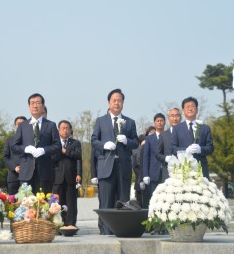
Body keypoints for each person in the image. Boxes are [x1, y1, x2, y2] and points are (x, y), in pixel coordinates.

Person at [91, 88, 139, 235]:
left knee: (123, 201)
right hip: (106, 166)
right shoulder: (101, 121)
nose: (117, 103)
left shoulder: (130, 122)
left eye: (120, 100)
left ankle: (121, 230)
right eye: (114, 100)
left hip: (123, 166)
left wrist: (127, 141)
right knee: (106, 201)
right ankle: (105, 230)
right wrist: (104, 146)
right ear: (109, 102)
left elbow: (136, 143)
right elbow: (93, 140)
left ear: (123, 103)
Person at [12, 93, 61, 194]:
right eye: (32, 103)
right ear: (29, 106)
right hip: (26, 172)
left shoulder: (51, 125)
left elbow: (57, 146)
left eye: (38, 103)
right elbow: (14, 146)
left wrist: (44, 150)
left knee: (43, 204)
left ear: (43, 106)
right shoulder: (22, 126)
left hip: (44, 172)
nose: (35, 106)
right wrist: (25, 149)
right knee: (26, 204)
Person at [171, 97, 214, 179]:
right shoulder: (177, 128)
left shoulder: (205, 128)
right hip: (184, 169)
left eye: (192, 106)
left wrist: (200, 149)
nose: (190, 109)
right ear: (183, 111)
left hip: (201, 168)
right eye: (187, 107)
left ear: (197, 110)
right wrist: (185, 150)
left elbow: (210, 148)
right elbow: (172, 148)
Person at [52, 120, 82, 227]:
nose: (65, 130)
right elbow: (51, 158)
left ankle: (71, 223)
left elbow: (78, 157)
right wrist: (59, 150)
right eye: (63, 128)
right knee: (57, 202)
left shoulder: (75, 143)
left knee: (71, 202)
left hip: (71, 176)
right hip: (57, 176)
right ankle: (58, 224)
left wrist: (79, 174)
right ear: (58, 130)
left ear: (70, 130)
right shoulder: (54, 143)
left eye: (67, 128)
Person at [142, 113, 167, 198]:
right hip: (153, 173)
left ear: (165, 122)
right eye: (158, 121)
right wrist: (145, 174)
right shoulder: (149, 138)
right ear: (154, 123)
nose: (160, 122)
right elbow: (146, 157)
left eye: (161, 121)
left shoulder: (169, 136)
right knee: (154, 198)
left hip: (166, 171)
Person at [3, 116, 27, 195]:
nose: (20, 126)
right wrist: (15, 167)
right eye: (18, 124)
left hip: (27, 177)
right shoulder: (9, 141)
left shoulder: (30, 142)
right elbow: (5, 158)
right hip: (13, 177)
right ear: (15, 126)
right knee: (12, 203)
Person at [156, 107, 182, 172]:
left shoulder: (186, 133)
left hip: (184, 171)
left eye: (177, 116)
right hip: (168, 171)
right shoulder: (163, 135)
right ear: (168, 118)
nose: (175, 119)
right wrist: (166, 158)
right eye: (172, 116)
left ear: (181, 118)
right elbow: (157, 154)